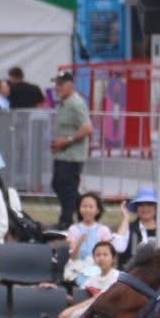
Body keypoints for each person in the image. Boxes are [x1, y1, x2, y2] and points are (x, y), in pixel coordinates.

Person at [49, 71, 93, 228]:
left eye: (61, 84)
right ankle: (86, 210)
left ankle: (66, 220)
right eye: (57, 84)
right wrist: (57, 145)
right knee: (58, 184)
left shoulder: (76, 103)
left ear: (70, 85)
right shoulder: (63, 103)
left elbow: (87, 128)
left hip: (73, 156)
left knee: (67, 188)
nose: (57, 87)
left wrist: (67, 141)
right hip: (63, 154)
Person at [60, 241, 121, 318]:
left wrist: (71, 310)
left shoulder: (117, 276)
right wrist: (58, 293)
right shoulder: (93, 278)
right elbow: (78, 298)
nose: (101, 258)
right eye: (98, 255)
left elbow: (98, 299)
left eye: (105, 255)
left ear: (113, 258)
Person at [115, 186, 160, 260]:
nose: (145, 208)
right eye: (141, 205)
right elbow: (118, 247)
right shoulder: (128, 228)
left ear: (156, 207)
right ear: (136, 208)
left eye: (149, 204)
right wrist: (126, 218)